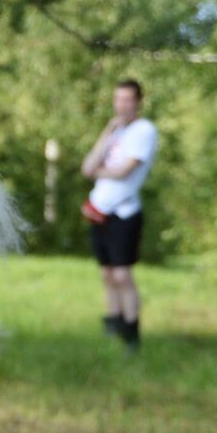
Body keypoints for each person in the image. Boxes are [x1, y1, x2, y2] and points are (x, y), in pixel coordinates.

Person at [80, 79, 158, 352]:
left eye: (127, 100)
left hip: (124, 212)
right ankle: (112, 322)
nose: (122, 105)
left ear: (138, 102)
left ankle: (132, 331)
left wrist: (98, 171)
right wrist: (106, 132)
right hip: (100, 209)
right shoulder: (115, 133)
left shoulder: (144, 130)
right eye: (118, 99)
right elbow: (87, 167)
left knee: (123, 275)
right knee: (107, 273)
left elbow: (125, 171)